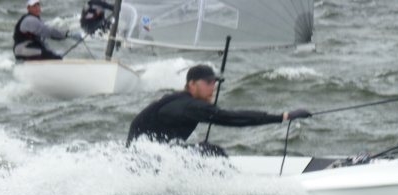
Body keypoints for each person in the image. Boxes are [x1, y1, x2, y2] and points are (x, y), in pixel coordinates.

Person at [126, 64, 312, 156]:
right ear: (192, 84)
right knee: (212, 152)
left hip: (150, 154)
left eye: (214, 82)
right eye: (208, 82)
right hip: (146, 158)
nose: (213, 86)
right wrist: (283, 117)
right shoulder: (189, 106)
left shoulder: (183, 100)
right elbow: (232, 118)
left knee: (206, 150)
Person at [13, 0, 79, 61]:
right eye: (34, 6)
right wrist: (68, 34)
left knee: (53, 55)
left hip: (29, 49)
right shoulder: (29, 20)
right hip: (23, 50)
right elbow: (48, 32)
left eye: (38, 5)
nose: (37, 8)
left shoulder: (37, 20)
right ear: (28, 8)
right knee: (52, 57)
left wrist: (52, 52)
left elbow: (42, 41)